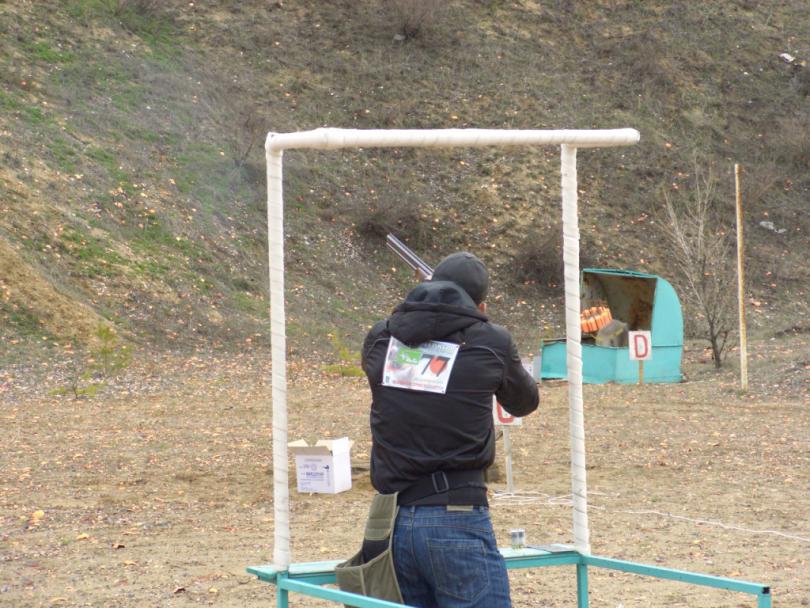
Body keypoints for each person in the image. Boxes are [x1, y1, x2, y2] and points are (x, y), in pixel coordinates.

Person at [361, 251, 539, 608]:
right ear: (480, 305)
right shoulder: (491, 341)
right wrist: (482, 329)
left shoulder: (381, 337)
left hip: (392, 523)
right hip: (456, 515)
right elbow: (524, 402)